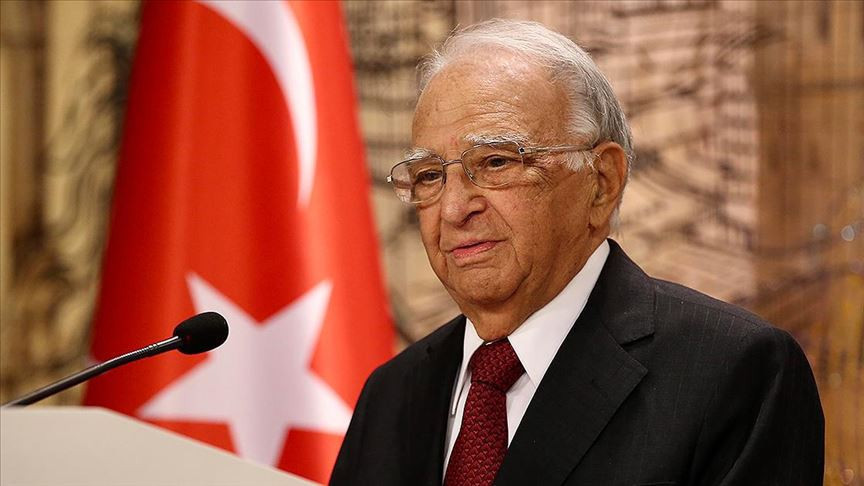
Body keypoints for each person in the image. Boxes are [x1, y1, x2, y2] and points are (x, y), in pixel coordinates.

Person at [331, 19, 824, 486]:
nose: (455, 208)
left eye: (496, 161)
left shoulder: (735, 371)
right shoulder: (390, 395)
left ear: (601, 182)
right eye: (429, 176)